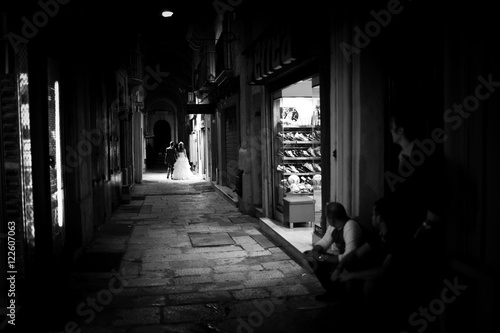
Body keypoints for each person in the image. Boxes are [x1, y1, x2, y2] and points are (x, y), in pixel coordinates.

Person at [331, 197, 414, 331]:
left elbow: (384, 271)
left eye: (373, 214)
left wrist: (351, 275)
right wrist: (340, 268)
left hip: (397, 281)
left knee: (369, 285)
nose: (371, 217)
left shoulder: (395, 239)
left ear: (380, 218)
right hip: (379, 273)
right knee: (351, 269)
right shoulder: (380, 236)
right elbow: (355, 254)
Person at [303, 202, 363, 302]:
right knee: (310, 256)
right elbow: (325, 241)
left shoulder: (350, 226)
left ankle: (337, 292)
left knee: (319, 260)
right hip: (340, 259)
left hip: (352, 263)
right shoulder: (334, 227)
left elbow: (350, 254)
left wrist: (324, 258)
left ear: (331, 219)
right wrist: (316, 250)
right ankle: (330, 290)